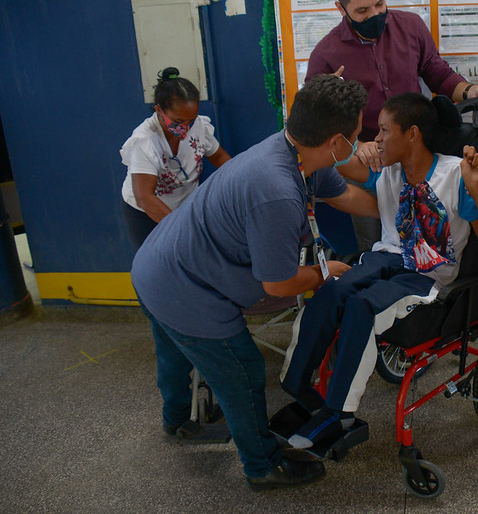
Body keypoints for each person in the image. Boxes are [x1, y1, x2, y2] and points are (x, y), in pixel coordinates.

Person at [131, 75, 378, 491]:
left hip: (156, 266)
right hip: (186, 289)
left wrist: (402, 212)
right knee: (242, 372)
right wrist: (325, 272)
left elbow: (351, 198)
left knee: (176, 353)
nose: (360, 142)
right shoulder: (278, 190)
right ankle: (261, 466)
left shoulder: (296, 153)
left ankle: (176, 421)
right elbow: (279, 283)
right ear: (337, 142)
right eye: (357, 136)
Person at [279, 92, 478, 448]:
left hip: (426, 273)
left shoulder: (453, 175)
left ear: (412, 134)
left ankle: (340, 413)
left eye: (384, 131)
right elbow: (336, 159)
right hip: (384, 258)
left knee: (361, 307)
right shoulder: (386, 172)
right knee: (331, 291)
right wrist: (345, 135)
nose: (378, 138)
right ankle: (297, 384)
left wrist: (476, 189)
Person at [305, 0, 478, 251]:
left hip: (418, 155)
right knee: (377, 244)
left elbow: (436, 71)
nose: (375, 15)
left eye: (380, 4)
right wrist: (356, 147)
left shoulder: (411, 26)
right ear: (340, 8)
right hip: (367, 165)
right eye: (362, 11)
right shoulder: (326, 55)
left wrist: (469, 91)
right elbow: (317, 128)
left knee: (434, 239)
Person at [120, 67, 231, 248]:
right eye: (179, 122)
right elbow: (145, 197)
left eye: (191, 120)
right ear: (159, 110)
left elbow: (220, 159)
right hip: (147, 214)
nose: (186, 128)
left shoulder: (199, 127)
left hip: (184, 206)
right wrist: (180, 227)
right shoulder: (145, 141)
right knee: (158, 265)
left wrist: (240, 182)